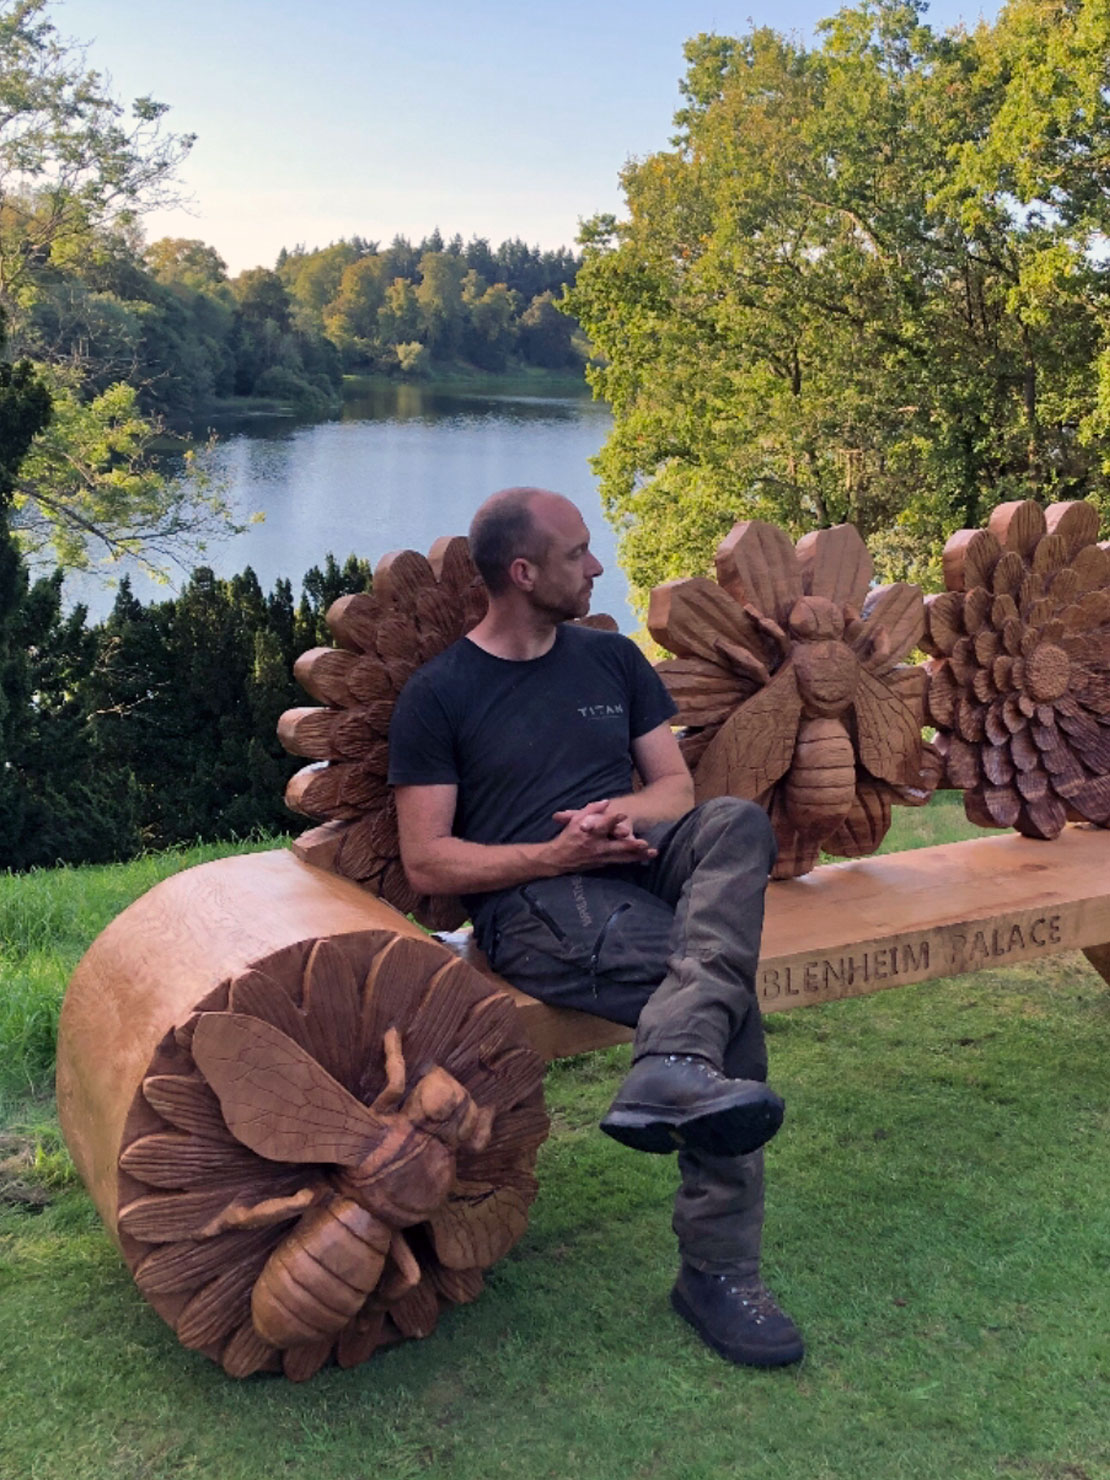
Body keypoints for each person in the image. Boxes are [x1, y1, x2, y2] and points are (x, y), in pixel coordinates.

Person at [387, 486, 803, 1367]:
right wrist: (555, 853)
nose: (597, 566)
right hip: (537, 905)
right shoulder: (440, 696)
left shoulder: (610, 663)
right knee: (724, 1006)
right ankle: (716, 1272)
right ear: (524, 572)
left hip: (635, 862)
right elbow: (428, 860)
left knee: (735, 824)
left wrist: (610, 820)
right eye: (579, 554)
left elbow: (674, 792)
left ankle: (669, 1065)